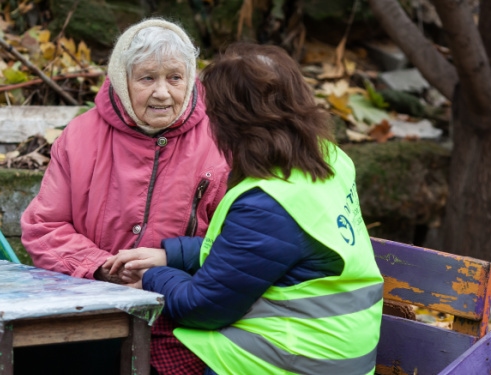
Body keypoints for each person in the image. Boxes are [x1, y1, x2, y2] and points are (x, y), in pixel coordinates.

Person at [105, 43, 384, 375]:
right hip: (338, 353)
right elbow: (268, 253)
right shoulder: (328, 160)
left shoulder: (270, 202)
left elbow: (203, 307)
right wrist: (171, 256)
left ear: (233, 124)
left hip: (291, 362)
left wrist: (152, 277)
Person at [20, 18, 229, 375]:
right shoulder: (80, 136)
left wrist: (168, 263)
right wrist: (103, 266)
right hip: (92, 304)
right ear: (121, 79)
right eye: (147, 78)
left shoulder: (222, 140)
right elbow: (44, 225)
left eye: (175, 78)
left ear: (191, 78)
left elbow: (240, 242)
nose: (162, 93)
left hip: (183, 315)